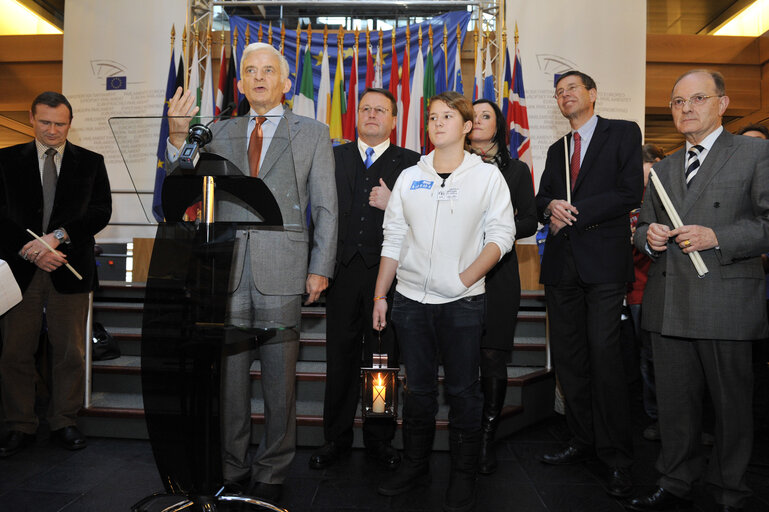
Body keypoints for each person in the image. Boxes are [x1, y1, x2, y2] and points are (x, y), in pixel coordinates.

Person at [166, 42, 337, 504]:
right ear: (240, 83)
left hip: (284, 268)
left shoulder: (314, 133)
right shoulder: (216, 131)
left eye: (269, 71)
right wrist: (180, 138)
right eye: (250, 71)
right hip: (224, 270)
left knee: (280, 379)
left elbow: (324, 204)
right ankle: (233, 466)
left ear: (285, 83)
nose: (259, 78)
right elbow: (179, 184)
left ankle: (274, 466)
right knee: (230, 378)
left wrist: (320, 267)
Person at [627, 70, 769, 512]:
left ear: (722, 104)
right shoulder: (664, 167)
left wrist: (718, 237)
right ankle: (675, 480)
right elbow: (643, 226)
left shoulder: (753, 154)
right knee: (673, 407)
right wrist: (647, 235)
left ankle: (730, 490)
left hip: (724, 300)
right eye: (677, 102)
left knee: (730, 409)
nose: (685, 108)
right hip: (669, 303)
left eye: (697, 99)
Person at [372, 91, 515, 512]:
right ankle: (415, 466)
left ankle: (463, 474)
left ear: (467, 127)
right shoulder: (410, 176)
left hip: (463, 303)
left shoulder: (487, 177)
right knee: (416, 392)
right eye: (433, 116)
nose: (437, 123)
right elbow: (393, 238)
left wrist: (464, 278)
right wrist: (381, 294)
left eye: (447, 116)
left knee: (464, 392)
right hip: (410, 300)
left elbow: (501, 237)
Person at [535, 70, 643, 499]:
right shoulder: (556, 148)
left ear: (593, 94)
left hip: (603, 265)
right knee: (569, 359)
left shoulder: (622, 133)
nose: (564, 96)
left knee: (604, 357)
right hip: (562, 268)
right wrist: (550, 208)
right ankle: (581, 439)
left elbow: (628, 192)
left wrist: (574, 209)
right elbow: (542, 198)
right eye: (559, 92)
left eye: (572, 89)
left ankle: (616, 455)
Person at [309, 88, 420, 471]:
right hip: (340, 275)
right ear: (356, 115)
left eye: (381, 110)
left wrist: (396, 206)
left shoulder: (412, 164)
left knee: (381, 362)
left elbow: (425, 221)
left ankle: (379, 439)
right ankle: (334, 439)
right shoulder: (331, 156)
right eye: (365, 109)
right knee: (338, 359)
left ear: (393, 119)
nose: (372, 115)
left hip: (386, 279)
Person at [0, 91, 112, 457]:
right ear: (32, 118)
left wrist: (57, 238)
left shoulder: (91, 162)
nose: (52, 130)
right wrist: (31, 251)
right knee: (15, 351)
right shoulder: (5, 160)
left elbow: (100, 212)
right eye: (45, 122)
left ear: (70, 123)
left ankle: (64, 420)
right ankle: (20, 424)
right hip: (20, 271)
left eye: (60, 124)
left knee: (70, 353)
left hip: (70, 269)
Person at [467, 98, 537, 474]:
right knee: (461, 355)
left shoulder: (517, 171)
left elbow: (530, 222)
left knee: (492, 355)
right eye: (472, 116)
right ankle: (464, 431)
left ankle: (485, 438)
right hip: (456, 273)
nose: (478, 121)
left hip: (499, 275)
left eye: (486, 116)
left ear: (499, 125)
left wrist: (502, 225)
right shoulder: (449, 164)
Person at [631, 143, 664, 442]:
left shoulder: (671, 196)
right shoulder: (627, 197)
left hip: (668, 286)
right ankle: (655, 417)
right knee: (648, 359)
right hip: (638, 289)